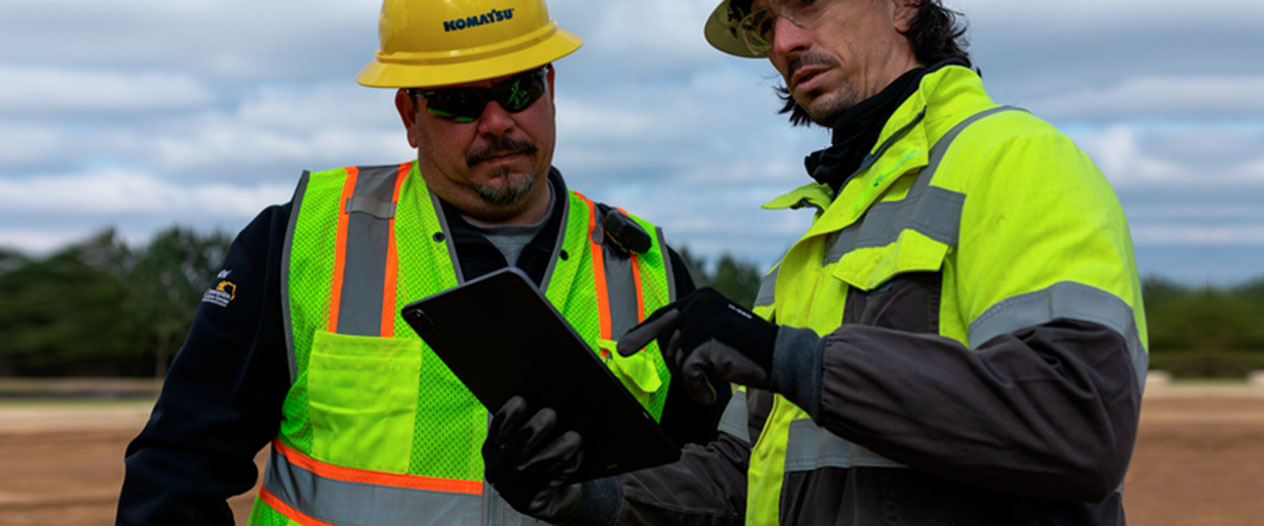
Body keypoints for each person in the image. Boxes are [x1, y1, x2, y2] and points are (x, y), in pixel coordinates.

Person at [481, 0, 1149, 524]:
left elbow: (1078, 421)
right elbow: (746, 480)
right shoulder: (818, 242)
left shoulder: (1017, 159)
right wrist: (586, 498)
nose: (782, 43)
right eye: (766, 22)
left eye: (806, 3)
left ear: (904, 5)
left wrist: (789, 358)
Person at [114, 0, 729, 524]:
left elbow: (707, 490)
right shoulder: (302, 239)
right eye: (459, 102)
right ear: (410, 116)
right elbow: (176, 470)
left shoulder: (647, 268)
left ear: (551, 88)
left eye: (518, 89)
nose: (496, 122)